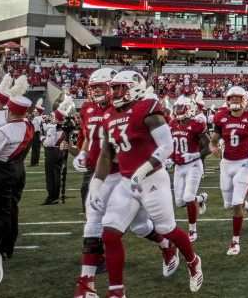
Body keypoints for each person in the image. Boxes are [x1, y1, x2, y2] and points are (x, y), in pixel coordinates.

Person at [89, 70, 203, 296]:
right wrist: (96, 185)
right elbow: (105, 155)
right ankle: (116, 291)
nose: (113, 93)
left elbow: (166, 146)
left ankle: (193, 261)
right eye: (113, 89)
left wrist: (143, 170)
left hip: (152, 178)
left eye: (119, 88)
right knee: (110, 235)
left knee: (166, 229)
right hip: (126, 180)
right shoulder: (109, 115)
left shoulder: (147, 108)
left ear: (134, 87)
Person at [70, 68, 179, 298]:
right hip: (100, 172)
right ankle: (86, 284)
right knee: (94, 223)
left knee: (140, 227)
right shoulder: (88, 108)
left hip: (125, 173)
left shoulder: (124, 107)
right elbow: (90, 138)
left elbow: (149, 134)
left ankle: (165, 244)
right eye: (94, 88)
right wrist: (82, 153)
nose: (99, 92)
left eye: (103, 86)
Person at [0, 77, 33, 262]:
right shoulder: (28, 126)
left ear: (9, 109)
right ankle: (9, 246)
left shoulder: (4, 131)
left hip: (1, 172)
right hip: (18, 169)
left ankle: (0, 249)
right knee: (12, 210)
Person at [209, 86, 248, 255]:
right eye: (231, 99)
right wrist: (212, 148)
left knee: (235, 203)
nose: (234, 102)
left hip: (243, 164)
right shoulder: (220, 117)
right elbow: (213, 141)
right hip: (226, 164)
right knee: (228, 204)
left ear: (244, 100)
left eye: (237, 99)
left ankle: (235, 242)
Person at [169, 96, 210, 242]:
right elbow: (171, 145)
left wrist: (195, 155)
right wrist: (170, 157)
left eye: (182, 109)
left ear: (190, 110)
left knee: (187, 198)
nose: (179, 112)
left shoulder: (196, 125)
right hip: (179, 167)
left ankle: (192, 230)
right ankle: (201, 198)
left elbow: (209, 146)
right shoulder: (172, 124)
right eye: (177, 109)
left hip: (193, 165)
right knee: (180, 202)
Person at [41, 94, 75, 205]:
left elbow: (49, 143)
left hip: (52, 152)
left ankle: (52, 197)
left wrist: (42, 139)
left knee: (51, 175)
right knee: (57, 174)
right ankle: (56, 196)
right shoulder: (62, 127)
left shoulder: (53, 127)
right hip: (61, 151)